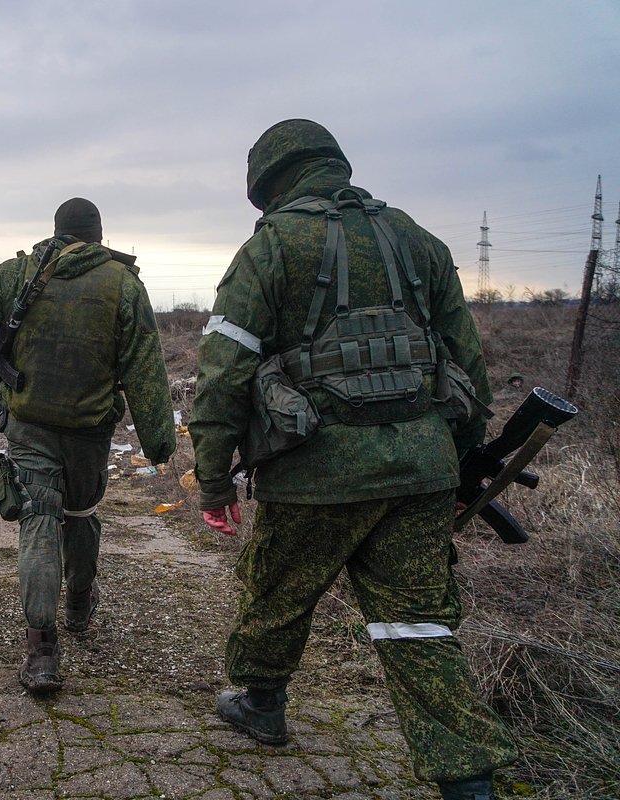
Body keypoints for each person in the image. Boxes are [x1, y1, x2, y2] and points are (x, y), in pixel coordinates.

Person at [188, 120, 518, 800]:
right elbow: (469, 368)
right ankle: (469, 781)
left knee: (278, 593)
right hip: (421, 467)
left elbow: (222, 376)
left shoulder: (272, 248)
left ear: (268, 183)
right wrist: (459, 466)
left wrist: (214, 480)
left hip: (315, 473)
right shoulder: (418, 240)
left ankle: (263, 704)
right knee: (418, 623)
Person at [0, 198, 176, 694]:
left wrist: (12, 337)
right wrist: (159, 444)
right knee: (79, 516)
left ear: (54, 230)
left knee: (37, 520)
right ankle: (79, 605)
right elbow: (145, 370)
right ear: (99, 234)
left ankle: (41, 655)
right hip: (88, 432)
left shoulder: (20, 272)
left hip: (29, 425)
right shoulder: (123, 283)